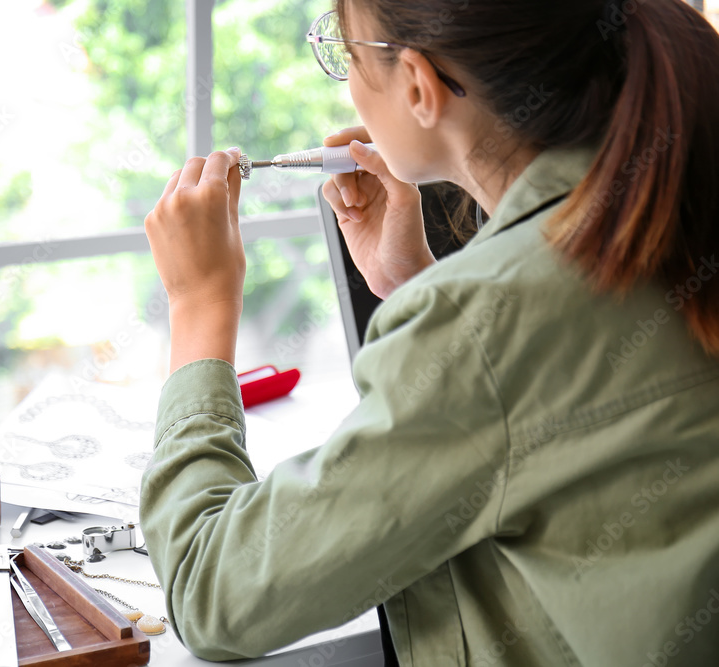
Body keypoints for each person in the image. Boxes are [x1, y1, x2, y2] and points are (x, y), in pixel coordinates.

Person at [140, 0, 719, 664]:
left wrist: (198, 303)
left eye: (344, 52)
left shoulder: (487, 326)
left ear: (418, 86)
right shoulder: (672, 194)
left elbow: (212, 590)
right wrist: (418, 282)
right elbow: (550, 401)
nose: (348, 80)